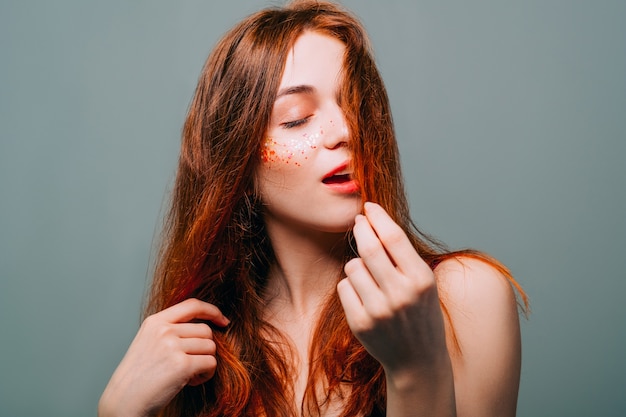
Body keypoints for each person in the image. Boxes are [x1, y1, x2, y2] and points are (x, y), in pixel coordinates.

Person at [99, 1, 528, 416]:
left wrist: (416, 371)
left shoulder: (463, 297)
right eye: (296, 118)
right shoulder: (201, 350)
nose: (344, 131)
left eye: (356, 106)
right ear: (237, 159)